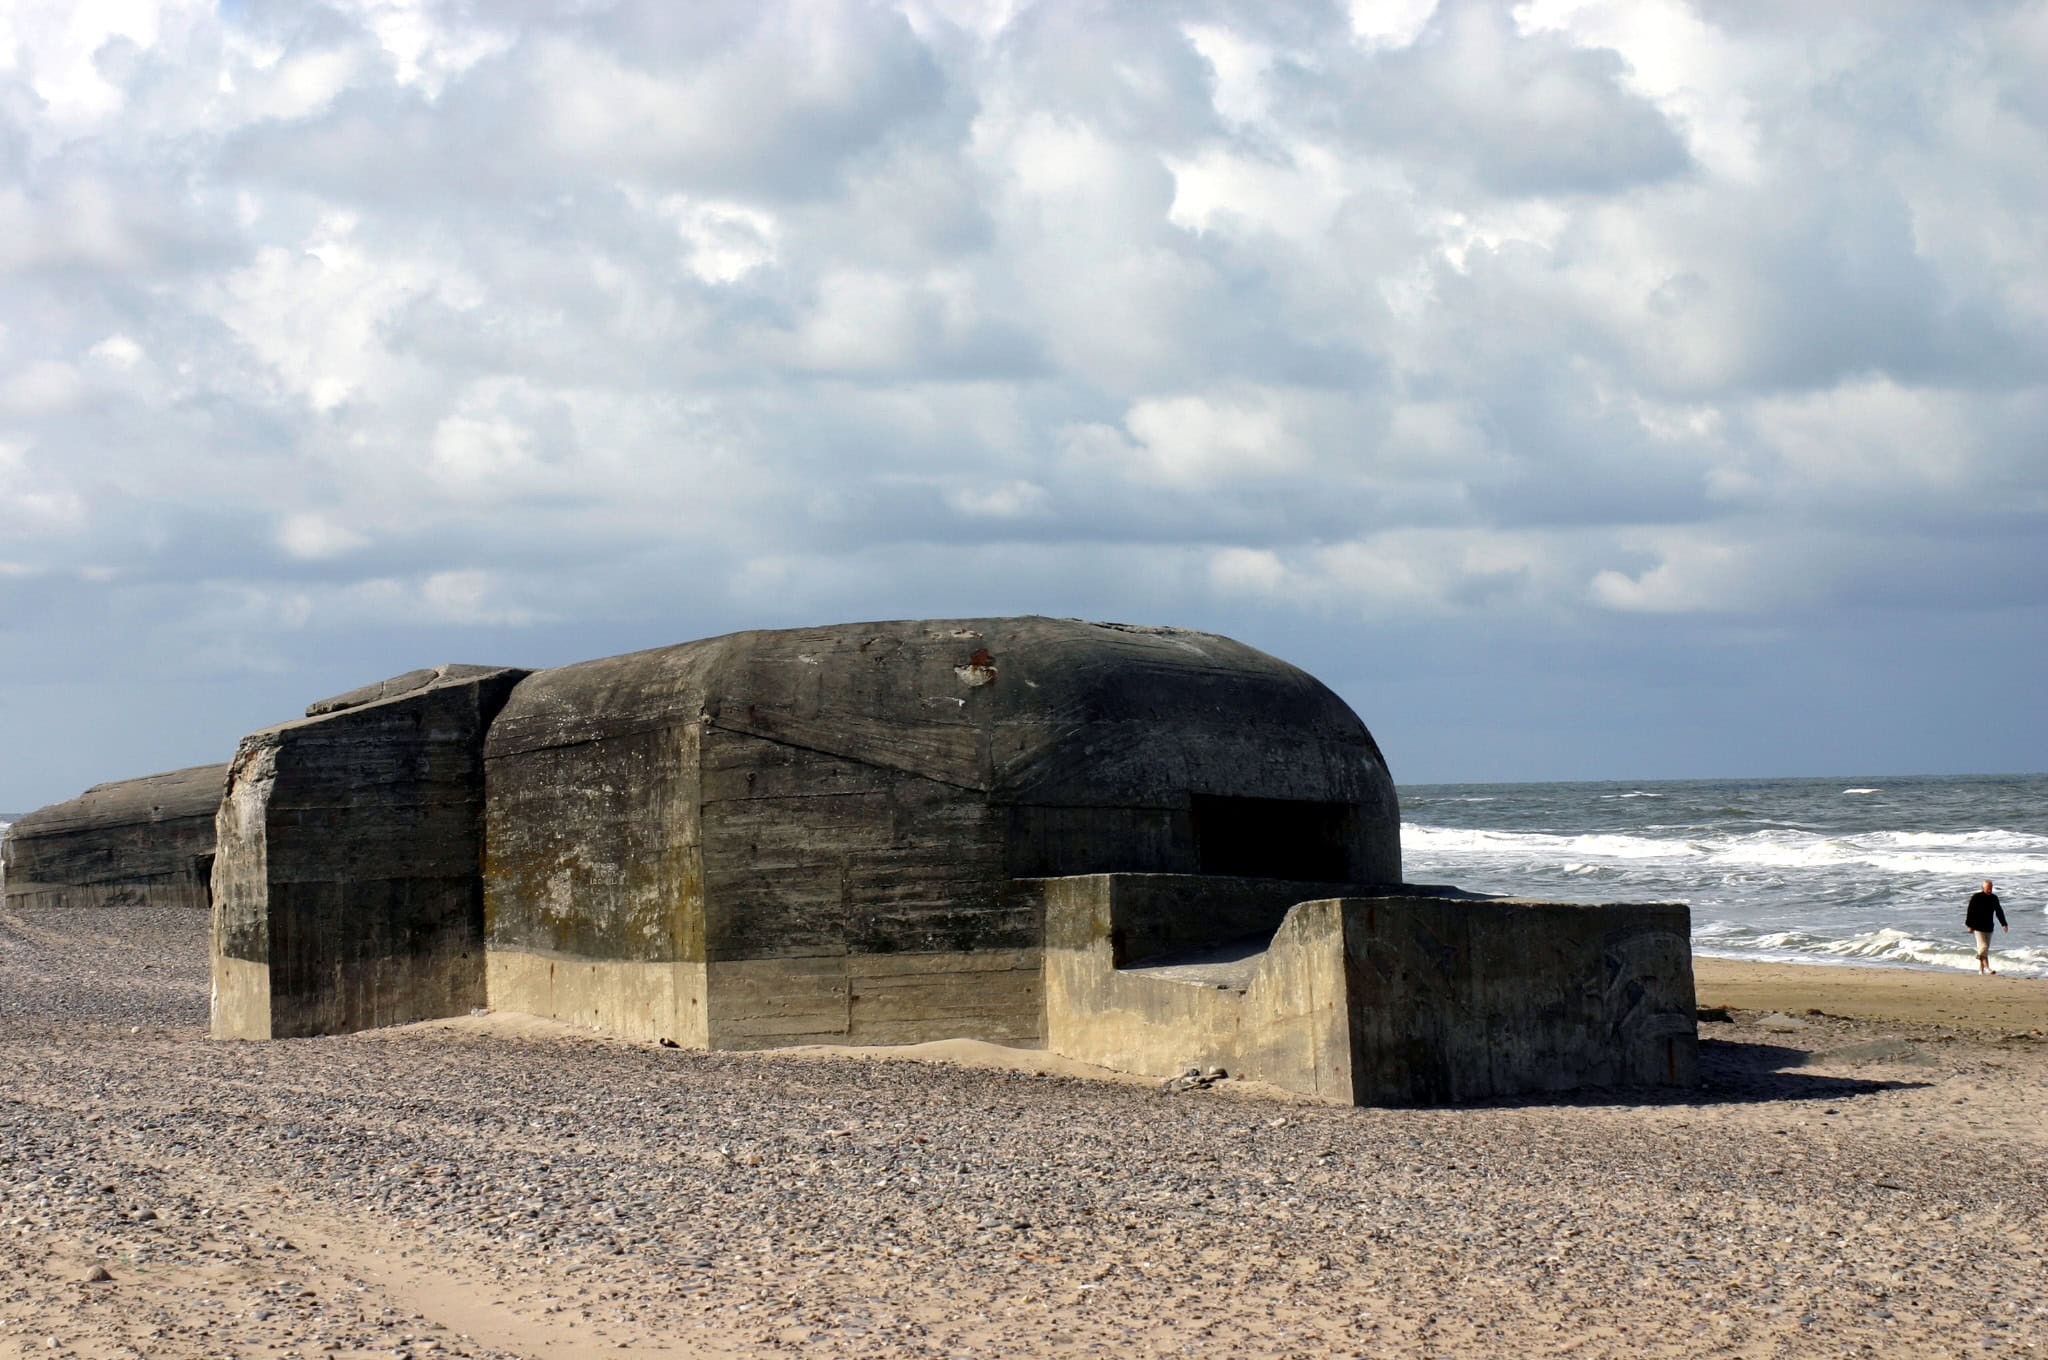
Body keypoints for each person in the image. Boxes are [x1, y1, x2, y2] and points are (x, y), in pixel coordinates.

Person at [1965, 879, 2008, 975]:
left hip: (1989, 927)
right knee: (1983, 947)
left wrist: (2004, 924)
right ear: (1983, 888)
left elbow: (1999, 911)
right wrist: (1970, 925)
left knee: (1984, 949)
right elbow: (1970, 911)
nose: (1990, 890)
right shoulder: (1976, 897)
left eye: (1991, 888)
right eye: (1988, 888)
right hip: (1978, 927)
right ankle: (1987, 967)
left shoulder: (1994, 898)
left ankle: (1981, 970)